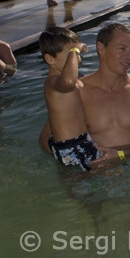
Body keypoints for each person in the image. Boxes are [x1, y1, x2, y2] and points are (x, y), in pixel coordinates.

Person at [39, 23, 130, 169]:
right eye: (122, 49)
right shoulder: (78, 91)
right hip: (91, 173)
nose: (129, 56)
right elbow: (45, 140)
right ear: (101, 48)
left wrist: (123, 154)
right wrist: (73, 169)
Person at [39, 27, 102, 172]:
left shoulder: (56, 83)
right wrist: (74, 51)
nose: (77, 58)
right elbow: (68, 81)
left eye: (78, 54)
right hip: (73, 146)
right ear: (50, 59)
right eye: (71, 55)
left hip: (71, 144)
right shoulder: (55, 82)